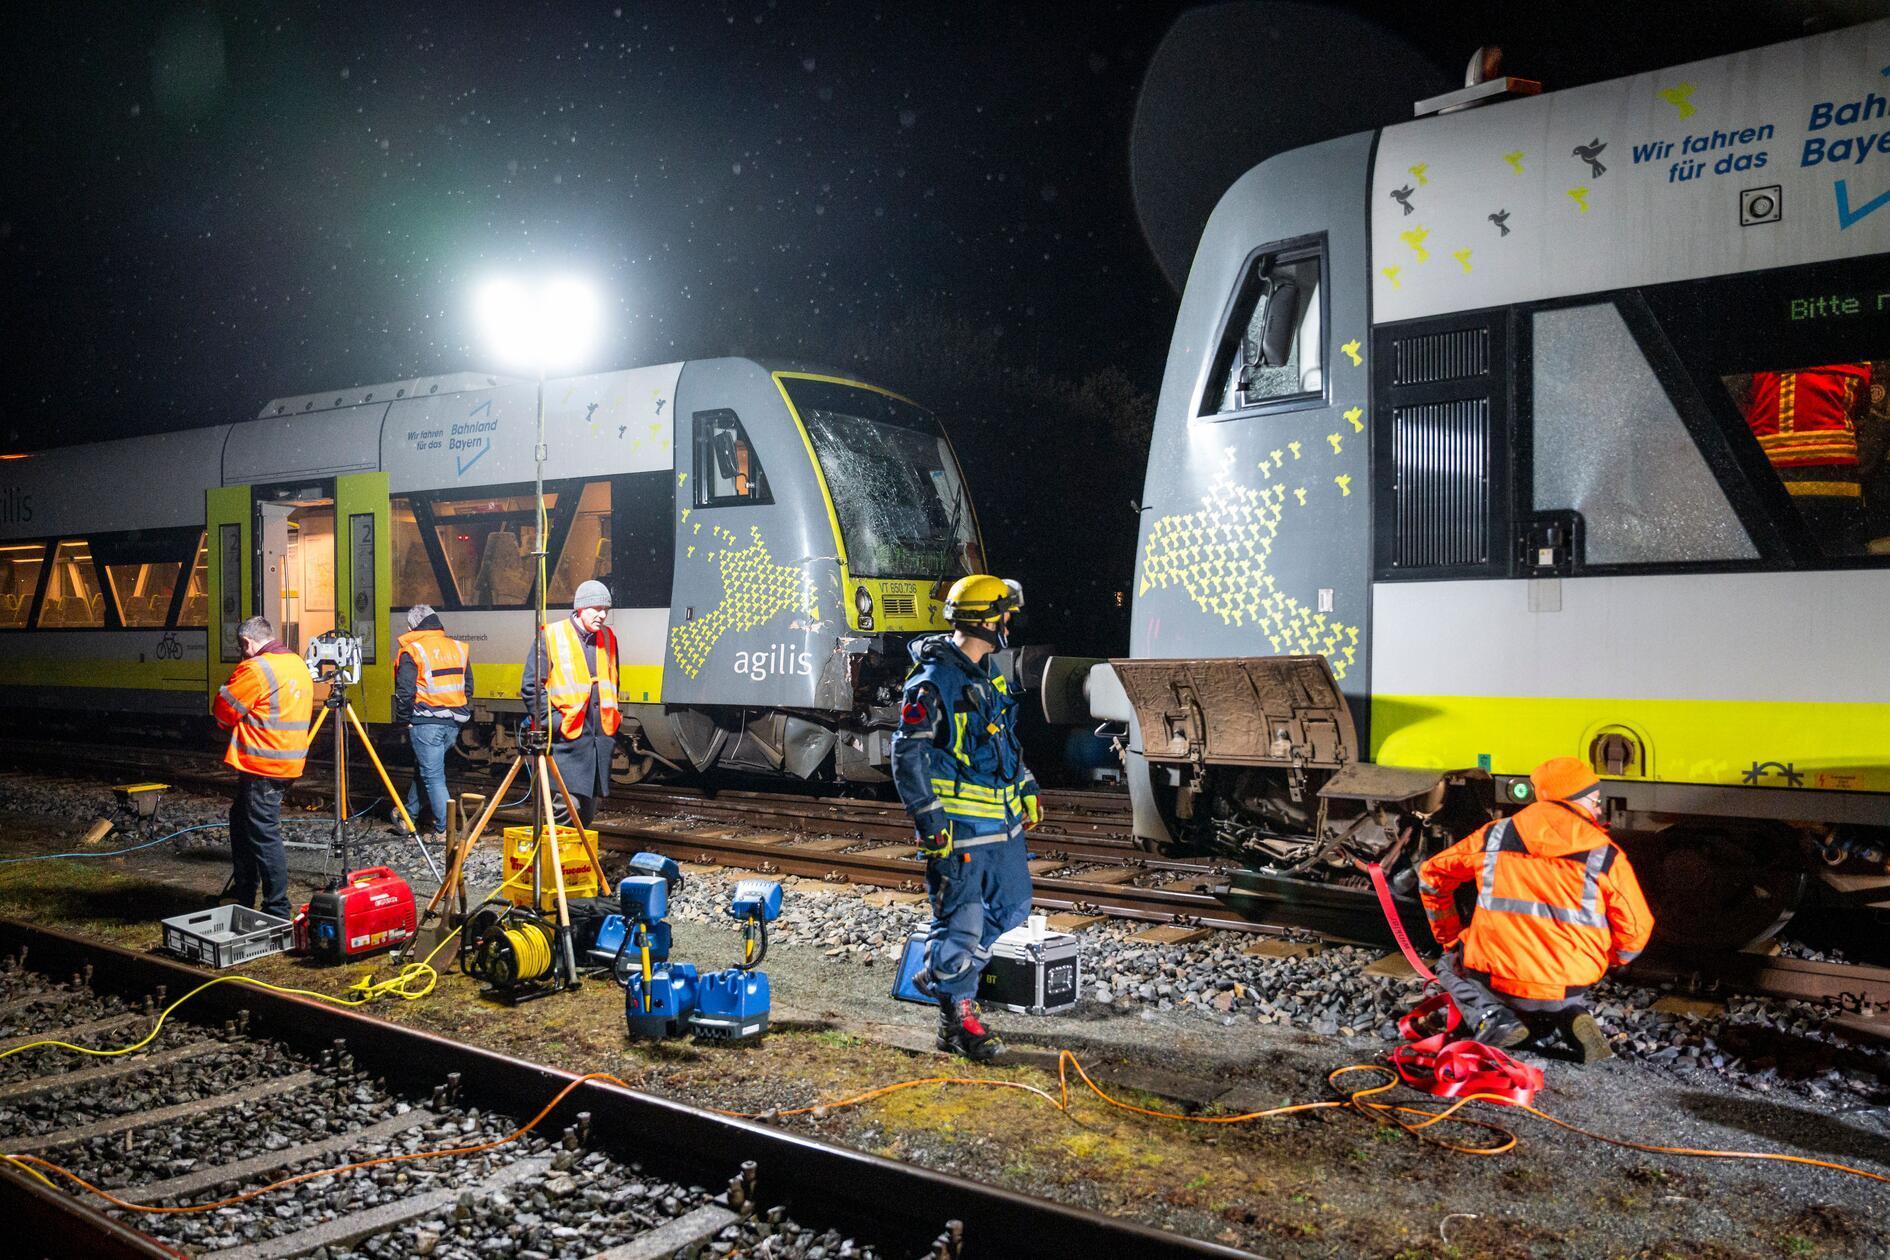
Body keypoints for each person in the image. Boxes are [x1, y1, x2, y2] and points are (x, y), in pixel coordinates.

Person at [891, 574, 1041, 1061]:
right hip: (960, 832)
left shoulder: (987, 675)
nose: (1009, 622)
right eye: (1004, 614)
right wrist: (930, 822)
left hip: (1002, 825)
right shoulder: (933, 682)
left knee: (1015, 905)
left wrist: (1027, 787)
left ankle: (939, 973)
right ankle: (957, 1018)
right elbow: (906, 755)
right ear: (985, 620)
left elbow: (1004, 741)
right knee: (964, 922)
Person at [1419, 756, 1655, 1065]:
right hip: (1568, 983)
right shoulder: (1605, 854)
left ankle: (1495, 1018)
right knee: (1557, 977)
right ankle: (1572, 1014)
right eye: (1595, 801)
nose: (1598, 809)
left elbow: (1432, 875)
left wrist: (1449, 936)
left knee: (1450, 963)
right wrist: (1610, 960)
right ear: (1576, 800)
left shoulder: (1495, 835)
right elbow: (1637, 929)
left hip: (1497, 978)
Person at [211, 615, 314, 921]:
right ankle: (243, 894)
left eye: (242, 647)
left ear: (247, 643)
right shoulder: (297, 664)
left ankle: (277, 909)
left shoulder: (256, 669)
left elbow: (223, 710)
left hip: (262, 764)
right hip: (287, 762)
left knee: (263, 834)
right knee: (241, 821)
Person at [518, 579, 618, 827]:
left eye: (606, 609)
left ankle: (574, 865)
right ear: (581, 608)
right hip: (566, 741)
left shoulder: (608, 638)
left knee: (587, 813)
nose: (602, 615)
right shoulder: (551, 635)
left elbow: (613, 682)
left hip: (596, 742)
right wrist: (554, 721)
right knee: (566, 809)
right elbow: (531, 686)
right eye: (596, 609)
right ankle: (558, 864)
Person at [393, 604, 473, 841]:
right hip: (453, 724)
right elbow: (468, 686)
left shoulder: (412, 650)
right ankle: (408, 816)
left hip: (426, 721)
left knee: (433, 776)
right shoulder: (457, 647)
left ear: (412, 627)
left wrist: (405, 719)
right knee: (426, 770)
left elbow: (405, 692)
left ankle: (444, 832)